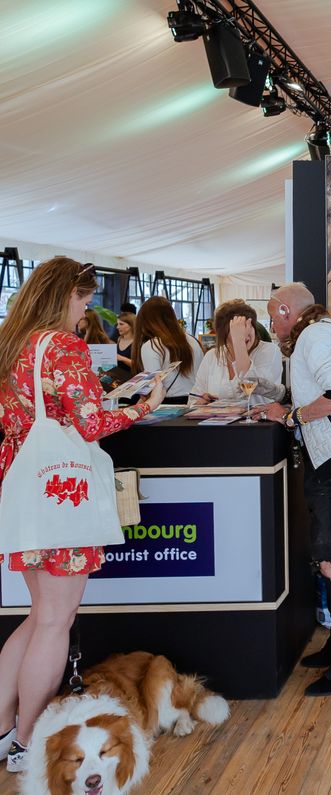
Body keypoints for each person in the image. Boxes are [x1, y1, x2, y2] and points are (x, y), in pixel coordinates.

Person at [0, 257, 163, 772]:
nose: (86, 312)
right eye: (84, 301)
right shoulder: (63, 347)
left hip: (23, 487)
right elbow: (90, 426)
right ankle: (28, 742)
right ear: (65, 295)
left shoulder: (13, 343)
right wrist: (145, 404)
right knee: (55, 620)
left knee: (38, 615)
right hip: (61, 492)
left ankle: (2, 729)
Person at [257, 283, 331, 696]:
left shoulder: (314, 336)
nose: (271, 324)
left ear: (286, 311)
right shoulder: (318, 333)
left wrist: (291, 417)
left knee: (329, 557)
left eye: (272, 315)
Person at [188, 300, 284, 405]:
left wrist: (239, 344)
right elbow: (193, 399)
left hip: (258, 415)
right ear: (223, 334)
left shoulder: (269, 351)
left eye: (247, 326)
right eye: (237, 330)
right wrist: (200, 402)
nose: (245, 334)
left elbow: (252, 394)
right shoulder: (212, 356)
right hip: (214, 415)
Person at [133, 296, 204, 404]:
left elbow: (153, 386)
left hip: (165, 405)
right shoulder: (193, 341)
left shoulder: (152, 345)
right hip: (196, 403)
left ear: (145, 321)